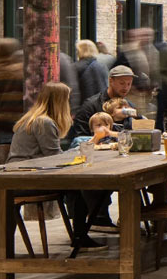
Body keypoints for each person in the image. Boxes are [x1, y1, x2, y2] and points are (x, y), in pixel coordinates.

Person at [10, 82, 103, 251]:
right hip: (25, 179)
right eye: (67, 100)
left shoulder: (33, 118)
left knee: (77, 187)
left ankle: (79, 235)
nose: (69, 104)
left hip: (18, 176)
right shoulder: (44, 122)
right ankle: (80, 236)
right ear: (59, 101)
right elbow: (54, 158)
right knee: (79, 186)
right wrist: (82, 148)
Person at [70, 64, 138, 139]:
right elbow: (80, 139)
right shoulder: (91, 106)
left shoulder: (130, 107)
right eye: (122, 83)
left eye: (129, 84)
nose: (126, 87)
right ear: (111, 81)